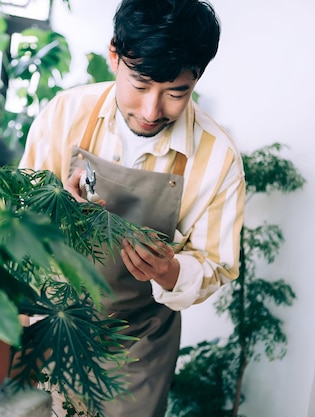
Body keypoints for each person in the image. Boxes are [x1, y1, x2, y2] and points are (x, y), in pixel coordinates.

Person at [19, 0, 245, 415]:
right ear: (114, 55)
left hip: (135, 348)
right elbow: (16, 211)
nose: (151, 110)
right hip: (50, 322)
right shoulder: (66, 113)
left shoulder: (218, 159)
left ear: (197, 78)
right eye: (140, 85)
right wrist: (52, 210)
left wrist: (171, 271)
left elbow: (218, 263)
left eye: (177, 92)